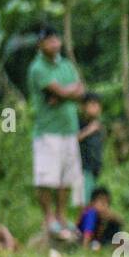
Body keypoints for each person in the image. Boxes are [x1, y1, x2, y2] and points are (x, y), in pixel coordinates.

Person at [27, 25, 85, 239]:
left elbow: (79, 90)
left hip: (69, 130)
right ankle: (48, 218)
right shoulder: (37, 68)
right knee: (46, 177)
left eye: (55, 40)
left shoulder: (67, 65)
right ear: (40, 45)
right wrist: (64, 92)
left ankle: (61, 217)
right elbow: (59, 91)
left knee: (66, 177)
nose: (53, 44)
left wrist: (62, 95)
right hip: (47, 131)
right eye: (48, 41)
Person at [77, 92, 106, 203]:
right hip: (83, 168)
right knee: (84, 202)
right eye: (92, 104)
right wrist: (89, 130)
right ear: (83, 106)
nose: (96, 108)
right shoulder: (79, 122)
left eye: (98, 105)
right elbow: (71, 140)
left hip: (95, 169)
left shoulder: (98, 125)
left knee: (91, 201)